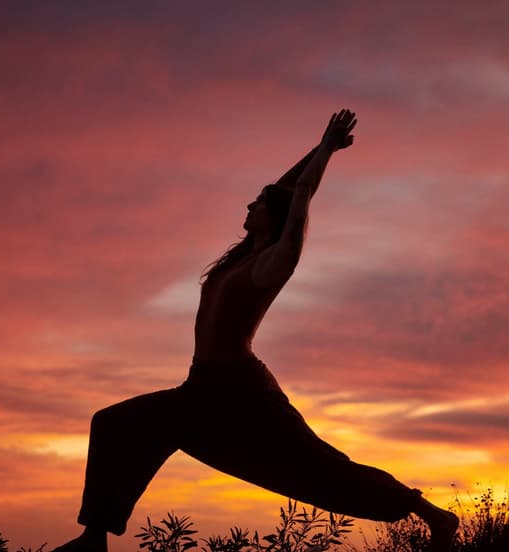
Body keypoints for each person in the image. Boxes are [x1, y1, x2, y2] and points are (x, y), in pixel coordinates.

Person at [53, 110, 459, 552]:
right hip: (201, 387)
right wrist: (320, 147)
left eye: (257, 204)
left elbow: (299, 194)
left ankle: (435, 516)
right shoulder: (244, 255)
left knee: (321, 468)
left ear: (276, 217)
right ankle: (94, 538)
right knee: (116, 425)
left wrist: (325, 152)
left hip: (245, 391)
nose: (249, 206)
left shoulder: (275, 260)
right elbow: (287, 188)